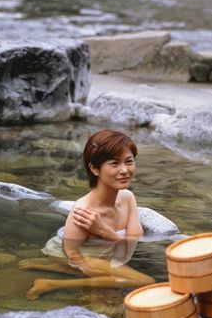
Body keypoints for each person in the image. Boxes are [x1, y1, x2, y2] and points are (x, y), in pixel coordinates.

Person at [24, 129, 155, 300]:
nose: (124, 170)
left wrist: (104, 231)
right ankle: (50, 282)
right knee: (146, 281)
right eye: (114, 164)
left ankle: (59, 272)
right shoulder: (83, 211)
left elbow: (133, 240)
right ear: (94, 168)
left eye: (128, 162)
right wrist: (88, 268)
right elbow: (71, 252)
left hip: (102, 253)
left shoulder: (128, 198)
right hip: (70, 253)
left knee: (112, 284)